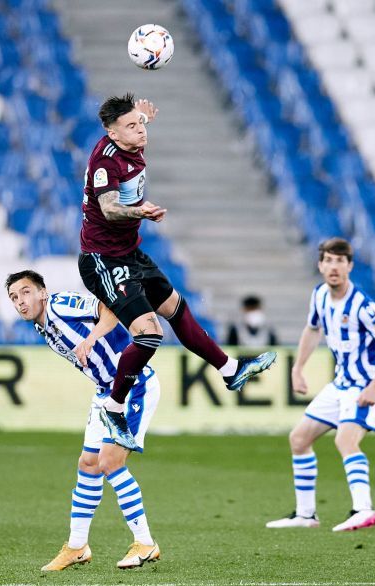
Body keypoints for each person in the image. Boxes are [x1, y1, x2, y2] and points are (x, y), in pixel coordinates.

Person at [77, 92, 277, 449]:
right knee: (149, 334)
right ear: (112, 133)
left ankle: (231, 370)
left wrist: (141, 117)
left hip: (129, 252)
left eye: (140, 124)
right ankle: (114, 407)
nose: (140, 131)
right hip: (102, 260)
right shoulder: (106, 161)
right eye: (131, 126)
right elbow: (108, 208)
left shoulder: (129, 137)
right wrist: (140, 211)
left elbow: (134, 124)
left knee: (176, 307)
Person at [6, 270, 162, 571]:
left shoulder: (59, 304)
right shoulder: (43, 326)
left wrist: (91, 338)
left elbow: (109, 309)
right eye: (14, 297)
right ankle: (77, 546)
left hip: (133, 384)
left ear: (42, 292)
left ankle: (145, 542)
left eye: (26, 292)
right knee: (89, 464)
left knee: (110, 461)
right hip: (105, 392)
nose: (20, 301)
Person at [265, 238, 375, 532]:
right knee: (299, 439)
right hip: (341, 384)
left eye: (340, 261)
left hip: (364, 384)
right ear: (320, 265)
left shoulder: (363, 306)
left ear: (350, 266)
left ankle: (363, 509)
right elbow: (312, 329)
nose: (334, 267)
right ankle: (306, 515)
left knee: (345, 440)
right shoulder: (319, 295)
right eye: (328, 260)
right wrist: (298, 368)